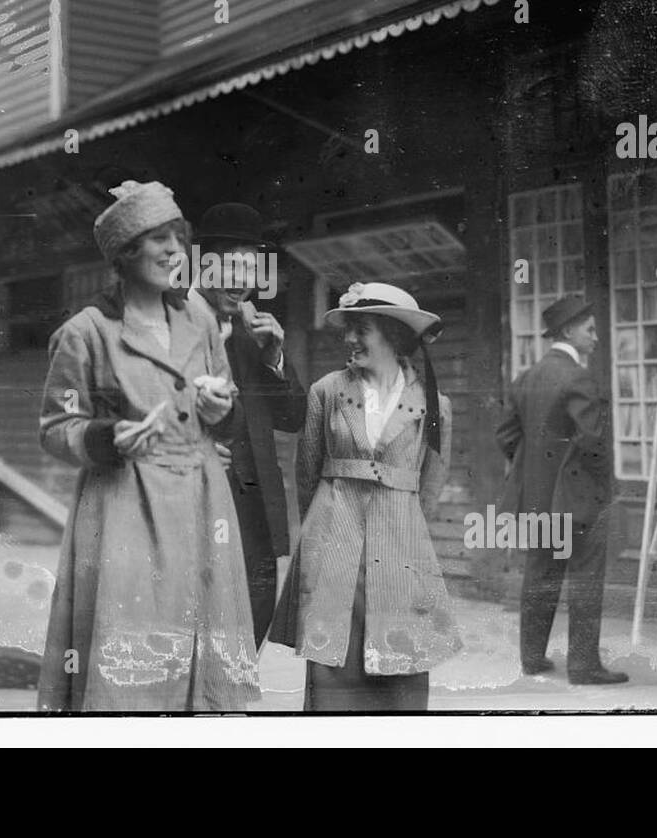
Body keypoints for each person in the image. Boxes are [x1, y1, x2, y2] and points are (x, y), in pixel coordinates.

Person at [35, 180, 260, 712]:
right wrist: (105, 437)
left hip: (203, 499)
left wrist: (220, 410)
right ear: (124, 251)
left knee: (204, 646)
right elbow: (55, 426)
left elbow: (225, 404)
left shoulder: (199, 318)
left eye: (177, 240)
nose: (173, 252)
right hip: (124, 504)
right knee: (132, 644)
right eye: (157, 239)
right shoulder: (86, 332)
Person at [269, 282, 461, 711]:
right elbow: (308, 475)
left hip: (401, 551)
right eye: (348, 328)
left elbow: (429, 485)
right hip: (334, 548)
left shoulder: (434, 404)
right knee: (333, 676)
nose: (349, 339)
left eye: (362, 328)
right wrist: (321, 536)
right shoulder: (327, 391)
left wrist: (402, 530)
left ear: (394, 335)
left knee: (401, 671)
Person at [188, 202, 306, 645]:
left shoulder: (252, 330)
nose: (243, 282)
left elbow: (294, 418)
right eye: (233, 266)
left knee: (253, 619)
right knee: (193, 623)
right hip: (190, 496)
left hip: (253, 503)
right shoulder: (171, 321)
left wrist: (274, 356)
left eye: (252, 269)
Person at [495, 295, 627, 684]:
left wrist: (540, 466)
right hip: (578, 499)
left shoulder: (526, 377)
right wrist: (602, 487)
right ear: (569, 331)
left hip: (537, 499)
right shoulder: (577, 377)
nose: (596, 337)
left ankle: (532, 659)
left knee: (540, 574)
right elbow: (593, 442)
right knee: (585, 575)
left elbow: (505, 436)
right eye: (589, 329)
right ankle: (584, 666)